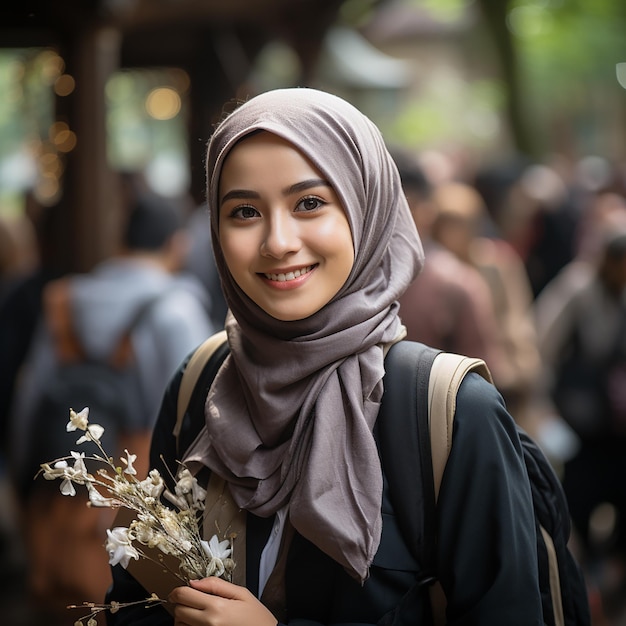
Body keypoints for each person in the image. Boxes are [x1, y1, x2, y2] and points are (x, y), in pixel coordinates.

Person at [106, 88, 543, 625]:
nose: (278, 241)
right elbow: (136, 593)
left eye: (309, 203)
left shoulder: (451, 414)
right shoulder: (202, 383)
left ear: (365, 205)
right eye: (244, 211)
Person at [8, 190, 216, 623]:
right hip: (144, 490)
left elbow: (30, 399)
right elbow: (200, 417)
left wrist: (25, 481)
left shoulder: (64, 301)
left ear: (121, 242)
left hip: (64, 482)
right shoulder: (176, 309)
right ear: (177, 244)